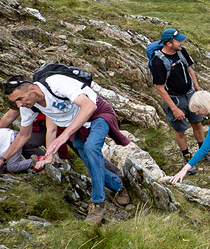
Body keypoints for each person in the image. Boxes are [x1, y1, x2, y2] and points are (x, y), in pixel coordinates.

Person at [3, 72, 130, 224]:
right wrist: (3, 159)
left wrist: (65, 135)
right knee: (89, 160)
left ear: (32, 89)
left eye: (19, 99)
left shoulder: (56, 83)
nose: (18, 105)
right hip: (77, 124)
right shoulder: (29, 107)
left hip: (98, 114)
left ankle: (97, 203)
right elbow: (23, 136)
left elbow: (89, 105)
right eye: (15, 102)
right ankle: (118, 186)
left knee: (91, 148)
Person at [149, 28, 210, 170]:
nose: (182, 42)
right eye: (178, 40)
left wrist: (198, 90)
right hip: (175, 99)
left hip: (191, 94)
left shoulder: (181, 52)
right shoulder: (158, 62)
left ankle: (204, 151)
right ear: (169, 43)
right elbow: (160, 88)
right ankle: (187, 156)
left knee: (197, 123)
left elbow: (189, 69)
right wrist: (174, 109)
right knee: (180, 130)